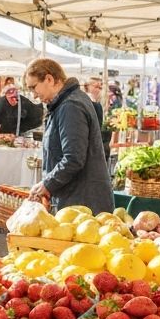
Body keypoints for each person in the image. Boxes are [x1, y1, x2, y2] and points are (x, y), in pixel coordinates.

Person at [26, 58, 114, 215]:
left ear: (49, 79)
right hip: (79, 199)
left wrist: (47, 184)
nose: (34, 95)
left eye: (34, 87)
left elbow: (73, 158)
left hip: (83, 201)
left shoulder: (70, 106)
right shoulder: (67, 102)